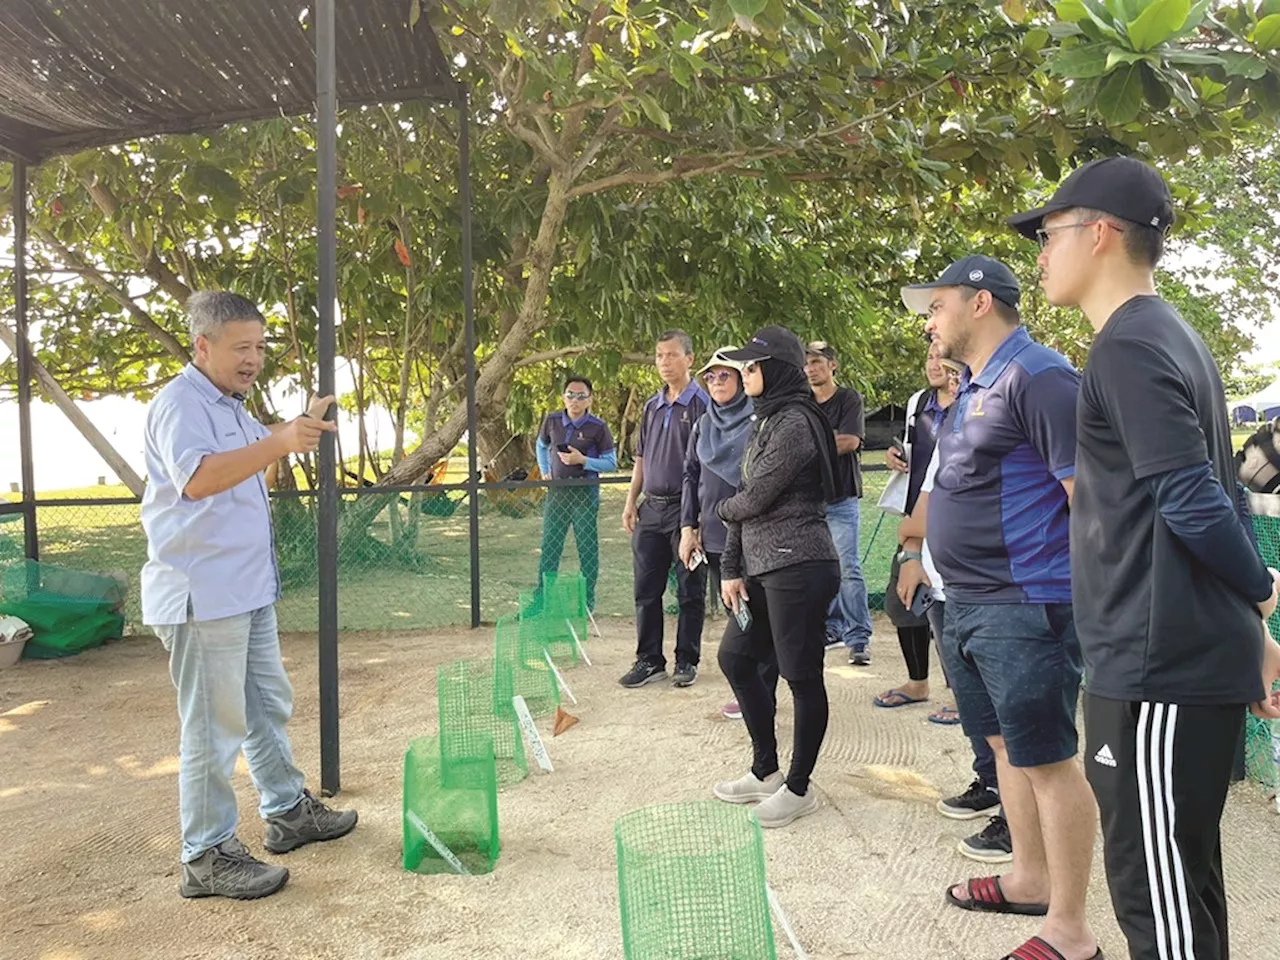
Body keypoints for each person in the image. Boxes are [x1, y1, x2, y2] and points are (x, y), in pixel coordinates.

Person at [1010, 155, 1280, 960]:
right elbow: (1221, 490)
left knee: (1157, 906)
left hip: (1155, 672)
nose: (1041, 255)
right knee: (1181, 889)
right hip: (1173, 660)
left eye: (1050, 235)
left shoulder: (1129, 346)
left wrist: (1260, 594)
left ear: (1100, 234)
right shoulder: (1171, 337)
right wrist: (1251, 632)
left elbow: (1195, 499)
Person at [899, 257, 1099, 960]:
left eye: (938, 305)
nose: (929, 319)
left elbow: (1092, 501)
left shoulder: (1040, 376)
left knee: (1048, 759)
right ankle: (1027, 878)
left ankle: (1070, 931)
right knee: (1003, 746)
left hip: (1026, 604)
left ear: (980, 303)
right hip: (966, 602)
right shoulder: (974, 386)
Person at [141, 292, 358, 901]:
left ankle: (288, 810)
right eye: (242, 347)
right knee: (213, 730)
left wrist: (292, 431)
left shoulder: (230, 406)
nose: (254, 359)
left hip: (245, 591)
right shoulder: (180, 404)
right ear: (202, 345)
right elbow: (198, 478)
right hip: (202, 597)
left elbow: (246, 471)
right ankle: (205, 854)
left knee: (265, 707)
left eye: (260, 347)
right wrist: (281, 441)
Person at [710, 325, 841, 828]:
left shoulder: (795, 423)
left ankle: (798, 786)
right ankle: (765, 769)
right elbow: (744, 505)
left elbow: (752, 499)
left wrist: (718, 510)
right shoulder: (763, 421)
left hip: (800, 565)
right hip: (764, 569)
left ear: (776, 369)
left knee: (801, 677)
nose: (744, 374)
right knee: (736, 659)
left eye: (751, 366)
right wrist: (730, 568)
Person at [887, 346, 1011, 865]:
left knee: (1012, 718)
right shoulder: (949, 427)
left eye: (967, 377)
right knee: (973, 700)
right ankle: (989, 783)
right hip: (943, 586)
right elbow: (926, 497)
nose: (960, 386)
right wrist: (911, 553)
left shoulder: (1010, 418)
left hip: (997, 592)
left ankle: (1015, 816)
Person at [678, 348, 779, 721]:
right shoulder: (703, 425)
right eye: (711, 377)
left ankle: (763, 694)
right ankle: (749, 691)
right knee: (737, 616)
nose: (717, 382)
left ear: (741, 379)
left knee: (761, 616)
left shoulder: (760, 421)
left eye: (725, 375)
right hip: (716, 537)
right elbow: (690, 476)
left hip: (757, 533)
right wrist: (689, 527)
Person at [620, 330, 710, 689]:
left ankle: (686, 660)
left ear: (689, 359)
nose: (664, 362)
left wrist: (699, 518)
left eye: (671, 355)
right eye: (659, 356)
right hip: (651, 509)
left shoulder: (703, 404)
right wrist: (631, 500)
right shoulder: (651, 406)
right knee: (646, 590)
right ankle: (649, 660)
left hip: (687, 512)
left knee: (690, 590)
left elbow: (709, 463)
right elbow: (640, 457)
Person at [805, 342, 874, 665]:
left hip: (841, 497)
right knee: (819, 571)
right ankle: (832, 627)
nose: (811, 369)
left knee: (848, 569)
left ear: (833, 365)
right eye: (806, 363)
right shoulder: (802, 402)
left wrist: (809, 442)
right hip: (808, 500)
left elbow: (850, 441)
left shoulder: (848, 398)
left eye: (817, 361)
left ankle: (859, 637)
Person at [535, 375, 617, 611]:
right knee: (550, 547)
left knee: (587, 550)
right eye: (570, 394)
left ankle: (587, 604)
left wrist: (583, 460)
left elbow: (611, 463)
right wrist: (545, 471)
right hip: (557, 494)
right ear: (563, 397)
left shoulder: (598, 427)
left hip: (584, 494)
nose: (575, 400)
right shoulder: (552, 421)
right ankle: (541, 601)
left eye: (581, 396)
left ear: (590, 399)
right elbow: (541, 445)